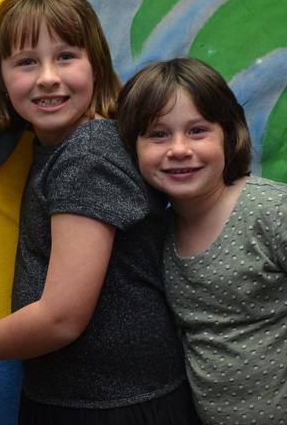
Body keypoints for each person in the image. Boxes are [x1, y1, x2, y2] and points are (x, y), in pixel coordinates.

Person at [0, 0, 200, 424]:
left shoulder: (89, 152)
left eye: (66, 56)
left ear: (96, 64)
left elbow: (61, 318)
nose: (48, 77)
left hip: (115, 406)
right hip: (84, 398)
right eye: (26, 62)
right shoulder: (58, 147)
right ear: (0, 77)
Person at [118, 57, 287, 424]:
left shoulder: (271, 211)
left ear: (228, 135)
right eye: (158, 134)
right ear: (133, 148)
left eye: (197, 131)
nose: (179, 149)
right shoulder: (156, 234)